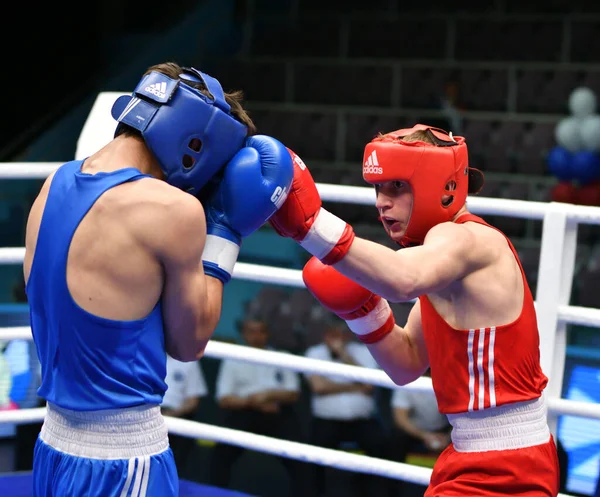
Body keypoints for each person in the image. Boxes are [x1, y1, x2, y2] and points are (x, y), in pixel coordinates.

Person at [22, 61, 294, 497]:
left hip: (53, 444)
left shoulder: (55, 182)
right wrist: (225, 231)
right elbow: (190, 344)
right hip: (123, 459)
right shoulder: (170, 209)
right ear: (197, 141)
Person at [268, 124, 560, 496]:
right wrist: (364, 312)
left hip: (506, 463)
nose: (380, 202)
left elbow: (401, 280)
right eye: (377, 188)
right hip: (474, 454)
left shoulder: (464, 239)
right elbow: (405, 365)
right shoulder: (439, 263)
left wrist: (310, 225)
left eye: (397, 187)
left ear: (442, 186)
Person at [209, 317, 308, 497]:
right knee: (220, 455)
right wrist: (255, 401)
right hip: (244, 412)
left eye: (261, 331)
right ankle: (214, 493)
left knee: (300, 456)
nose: (256, 336)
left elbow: (294, 393)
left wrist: (268, 395)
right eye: (251, 331)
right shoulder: (232, 358)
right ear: (243, 334)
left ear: (267, 333)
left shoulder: (281, 356)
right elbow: (224, 399)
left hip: (278, 412)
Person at [304, 321, 389, 497]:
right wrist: (354, 387)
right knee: (310, 455)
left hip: (362, 421)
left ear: (348, 333)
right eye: (331, 333)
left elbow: (368, 385)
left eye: (339, 333)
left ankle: (365, 491)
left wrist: (344, 354)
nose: (335, 338)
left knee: (384, 447)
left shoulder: (366, 352)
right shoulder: (314, 353)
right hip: (326, 420)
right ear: (324, 334)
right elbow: (319, 387)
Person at [160, 354, 208, 474]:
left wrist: (172, 414)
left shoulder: (189, 362)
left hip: (176, 415)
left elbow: (193, 401)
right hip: (146, 412)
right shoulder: (146, 356)